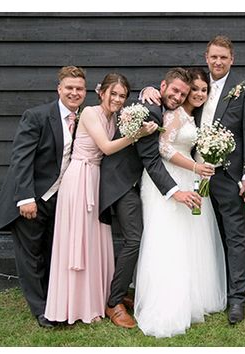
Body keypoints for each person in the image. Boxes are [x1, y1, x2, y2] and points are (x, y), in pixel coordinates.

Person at [141, 35, 245, 324]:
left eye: (224, 57)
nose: (218, 61)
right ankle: (195, 291)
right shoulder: (194, 84)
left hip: (228, 174)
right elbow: (168, 92)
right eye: (213, 57)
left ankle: (236, 298)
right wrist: (146, 90)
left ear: (232, 59)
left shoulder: (243, 89)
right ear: (206, 58)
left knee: (234, 235)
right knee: (199, 235)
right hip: (192, 173)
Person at [44, 73, 155, 325]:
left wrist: (148, 87)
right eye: (113, 93)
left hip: (96, 180)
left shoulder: (115, 116)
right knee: (79, 241)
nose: (117, 99)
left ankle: (96, 298)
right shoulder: (91, 113)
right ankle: (74, 304)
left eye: (122, 95)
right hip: (80, 176)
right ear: (101, 92)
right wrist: (137, 134)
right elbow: (105, 147)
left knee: (93, 242)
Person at [99, 68, 202, 329]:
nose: (178, 97)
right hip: (121, 181)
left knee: (140, 237)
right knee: (134, 239)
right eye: (174, 90)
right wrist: (176, 191)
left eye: (183, 94)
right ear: (163, 85)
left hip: (135, 182)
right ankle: (113, 302)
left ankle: (124, 291)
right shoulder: (152, 110)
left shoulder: (157, 104)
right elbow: (152, 159)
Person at [0, 66, 87, 328]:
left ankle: (54, 302)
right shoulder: (38, 116)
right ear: (59, 89)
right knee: (30, 256)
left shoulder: (84, 119)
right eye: (69, 88)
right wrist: (25, 198)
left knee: (50, 252)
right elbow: (21, 159)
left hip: (58, 199)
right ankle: (41, 310)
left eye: (79, 89)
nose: (74, 93)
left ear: (85, 92)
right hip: (31, 198)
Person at [134, 68, 226, 338]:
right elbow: (163, 148)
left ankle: (194, 295)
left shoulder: (189, 115)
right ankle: (167, 302)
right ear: (165, 87)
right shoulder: (172, 114)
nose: (194, 95)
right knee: (169, 236)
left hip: (188, 176)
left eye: (199, 91)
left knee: (189, 237)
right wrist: (196, 167)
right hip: (169, 178)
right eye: (189, 90)